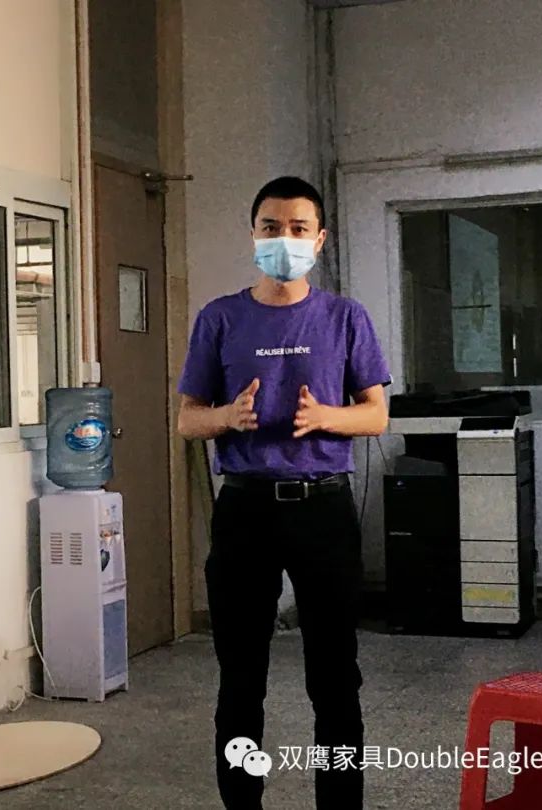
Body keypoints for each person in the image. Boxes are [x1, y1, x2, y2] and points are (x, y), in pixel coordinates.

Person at [176, 176, 391, 810]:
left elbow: (376, 415)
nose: (284, 239)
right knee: (241, 679)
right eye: (271, 228)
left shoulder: (345, 317)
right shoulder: (219, 318)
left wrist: (326, 416)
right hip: (245, 508)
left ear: (319, 240)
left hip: (323, 506)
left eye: (299, 229)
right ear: (253, 235)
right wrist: (227, 418)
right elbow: (188, 419)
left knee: (335, 678)